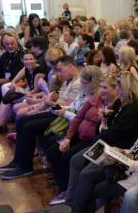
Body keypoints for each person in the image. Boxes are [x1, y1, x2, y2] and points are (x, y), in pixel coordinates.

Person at [64, 71, 138, 205]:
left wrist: (103, 125)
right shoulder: (122, 103)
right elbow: (109, 126)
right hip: (106, 144)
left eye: (118, 87)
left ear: (125, 88)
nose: (117, 89)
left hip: (117, 149)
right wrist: (104, 121)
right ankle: (72, 200)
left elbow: (114, 133)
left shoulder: (133, 108)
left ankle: (74, 206)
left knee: (84, 171)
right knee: (75, 160)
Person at [0, 55, 83, 180]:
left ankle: (25, 166)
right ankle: (18, 161)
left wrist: (50, 103)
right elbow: (61, 95)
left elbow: (71, 105)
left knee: (29, 127)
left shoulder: (78, 82)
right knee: (23, 120)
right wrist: (49, 98)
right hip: (55, 111)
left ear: (70, 66)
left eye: (60, 70)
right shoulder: (69, 79)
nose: (59, 73)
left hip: (63, 116)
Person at [44, 66, 104, 204]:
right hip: (79, 132)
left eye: (84, 82)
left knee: (67, 157)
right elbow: (78, 114)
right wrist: (68, 138)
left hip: (91, 138)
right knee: (53, 148)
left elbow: (87, 120)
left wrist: (65, 113)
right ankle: (64, 185)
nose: (81, 85)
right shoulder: (87, 94)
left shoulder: (99, 98)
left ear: (92, 82)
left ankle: (68, 190)